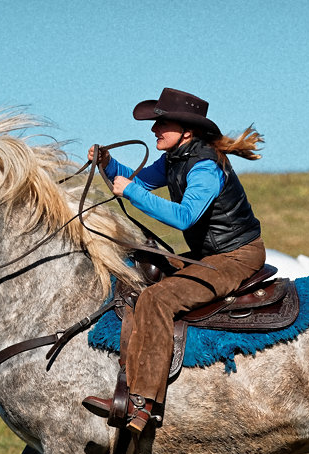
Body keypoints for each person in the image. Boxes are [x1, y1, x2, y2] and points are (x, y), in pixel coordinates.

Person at [83, 88, 267, 432]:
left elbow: (184, 217)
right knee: (137, 274)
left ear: (186, 130)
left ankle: (141, 404)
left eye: (161, 123)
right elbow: (136, 181)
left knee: (157, 298)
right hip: (210, 255)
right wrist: (108, 164)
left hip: (237, 257)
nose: (154, 130)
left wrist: (132, 192)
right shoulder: (175, 159)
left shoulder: (206, 167)